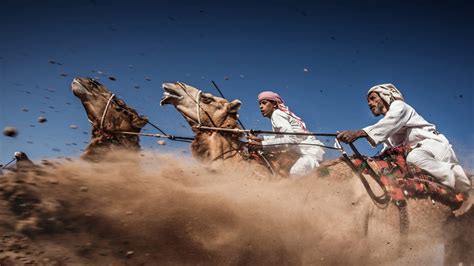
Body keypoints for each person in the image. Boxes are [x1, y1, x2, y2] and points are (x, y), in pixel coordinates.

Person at [336, 83, 473, 216]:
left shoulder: (399, 107)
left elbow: (387, 124)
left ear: (386, 95)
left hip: (432, 146)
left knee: (414, 158)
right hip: (415, 150)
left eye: (372, 98)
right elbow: (388, 147)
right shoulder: (389, 127)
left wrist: (356, 134)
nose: (369, 103)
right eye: (368, 101)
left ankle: (466, 190)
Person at [247, 91, 325, 176]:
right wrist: (262, 139)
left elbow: (290, 140)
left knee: (295, 173)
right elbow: (281, 138)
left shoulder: (276, 114)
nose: (260, 107)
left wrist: (262, 145)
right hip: (303, 152)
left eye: (264, 103)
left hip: (310, 153)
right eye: (260, 104)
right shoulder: (279, 114)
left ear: (274, 104)